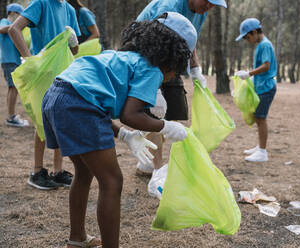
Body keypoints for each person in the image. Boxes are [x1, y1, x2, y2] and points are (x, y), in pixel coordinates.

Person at [41, 12, 196, 248]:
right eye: (178, 70)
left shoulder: (120, 58)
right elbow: (130, 115)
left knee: (83, 172)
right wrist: (166, 126)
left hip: (56, 97)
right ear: (172, 59)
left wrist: (123, 135)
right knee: (112, 181)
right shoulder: (152, 70)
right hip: (77, 105)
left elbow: (95, 101)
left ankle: (77, 238)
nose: (174, 76)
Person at [136, 0, 227, 198]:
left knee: (174, 109)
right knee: (154, 111)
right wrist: (154, 86)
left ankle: (150, 163)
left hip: (170, 58)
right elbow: (152, 42)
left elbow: (190, 39)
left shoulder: (200, 10)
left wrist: (195, 69)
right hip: (145, 56)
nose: (210, 8)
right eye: (208, 2)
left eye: (214, 5)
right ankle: (157, 170)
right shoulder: (169, 7)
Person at [8, 0, 81, 190]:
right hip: (43, 73)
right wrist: (29, 58)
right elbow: (14, 29)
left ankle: (58, 172)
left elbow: (73, 50)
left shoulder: (70, 10)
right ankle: (37, 171)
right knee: (43, 120)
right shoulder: (41, 3)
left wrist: (74, 41)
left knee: (60, 120)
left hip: (63, 72)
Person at [235, 18, 277, 162]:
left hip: (266, 88)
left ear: (254, 32)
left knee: (261, 118)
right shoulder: (260, 45)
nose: (248, 40)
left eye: (247, 37)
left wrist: (249, 74)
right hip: (261, 86)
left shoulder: (265, 45)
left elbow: (266, 66)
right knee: (258, 118)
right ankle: (260, 147)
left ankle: (262, 152)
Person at [0, 3, 29, 127]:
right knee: (13, 87)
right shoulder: (5, 21)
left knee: (13, 88)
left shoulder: (11, 26)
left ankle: (11, 116)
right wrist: (16, 26)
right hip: (9, 60)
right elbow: (1, 30)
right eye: (19, 15)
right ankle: (11, 117)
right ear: (13, 13)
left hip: (14, 60)